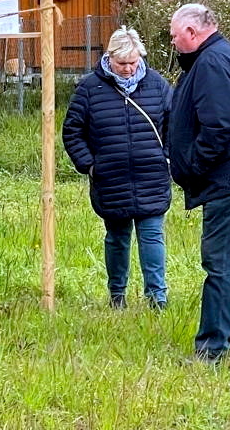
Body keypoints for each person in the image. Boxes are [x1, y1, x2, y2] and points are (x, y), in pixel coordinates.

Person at [167, 3, 230, 363]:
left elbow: (219, 126)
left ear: (193, 33)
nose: (173, 42)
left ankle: (213, 347)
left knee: (220, 261)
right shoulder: (218, 57)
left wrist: (193, 165)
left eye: (175, 35)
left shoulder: (212, 63)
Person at [61, 27, 172, 309]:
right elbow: (73, 130)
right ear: (109, 58)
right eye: (122, 63)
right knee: (118, 238)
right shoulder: (89, 88)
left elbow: (176, 123)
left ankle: (157, 298)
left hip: (151, 176)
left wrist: (167, 156)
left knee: (152, 236)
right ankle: (117, 296)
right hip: (111, 179)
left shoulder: (158, 85)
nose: (128, 69)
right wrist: (89, 165)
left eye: (133, 62)